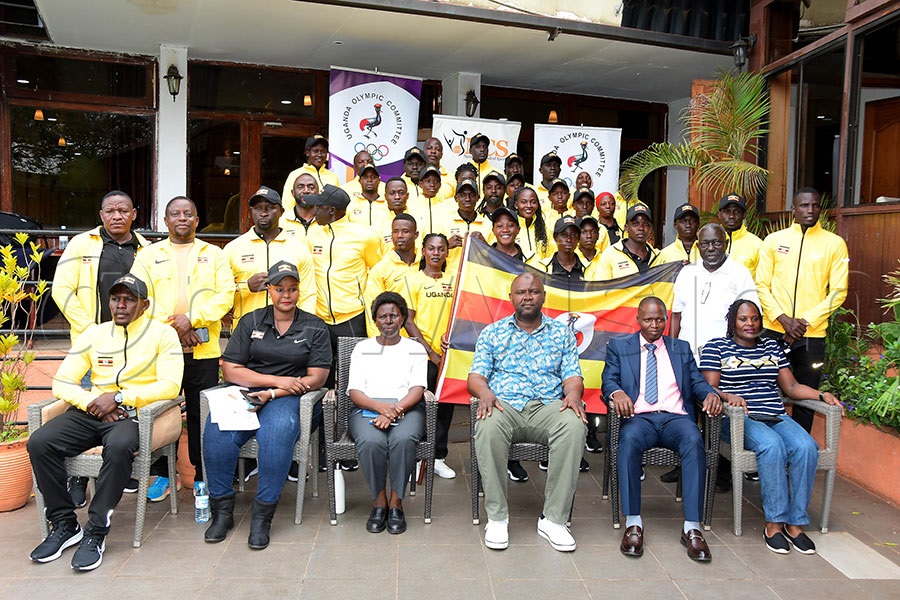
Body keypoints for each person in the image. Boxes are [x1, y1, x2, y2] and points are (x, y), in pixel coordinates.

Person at [29, 275, 183, 570]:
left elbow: (170, 385)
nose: (121, 305)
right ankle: (64, 524)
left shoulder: (163, 334)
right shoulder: (94, 334)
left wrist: (121, 398)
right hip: (93, 410)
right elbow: (62, 381)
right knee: (40, 442)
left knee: (120, 446)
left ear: (145, 305)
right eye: (115, 299)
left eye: (129, 299)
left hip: (133, 413)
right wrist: (92, 402)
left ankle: (96, 531)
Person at [202, 261, 331, 550]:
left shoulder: (314, 326)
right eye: (279, 289)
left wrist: (275, 392)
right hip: (249, 391)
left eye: (292, 289)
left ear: (299, 291)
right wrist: (276, 380)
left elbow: (318, 377)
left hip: (290, 397)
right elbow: (231, 369)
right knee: (217, 433)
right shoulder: (251, 321)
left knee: (276, 434)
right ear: (269, 290)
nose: (286, 295)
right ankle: (222, 511)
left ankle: (262, 516)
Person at [699, 299, 841, 555]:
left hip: (775, 414)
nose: (750, 324)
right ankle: (774, 524)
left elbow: (792, 387)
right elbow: (708, 388)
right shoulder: (716, 346)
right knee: (771, 445)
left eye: (754, 319)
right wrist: (728, 396)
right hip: (738, 418)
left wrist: (822, 395)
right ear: (732, 322)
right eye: (743, 319)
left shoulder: (771, 347)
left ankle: (795, 523)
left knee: (806, 446)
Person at [468, 273, 587, 552]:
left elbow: (573, 376)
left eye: (533, 291)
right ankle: (497, 518)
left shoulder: (562, 333)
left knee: (574, 425)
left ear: (543, 296)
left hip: (548, 406)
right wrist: (485, 393)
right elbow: (475, 377)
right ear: (511, 297)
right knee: (487, 425)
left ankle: (554, 520)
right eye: (521, 292)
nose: (527, 297)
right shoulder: (493, 332)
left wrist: (573, 394)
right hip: (504, 405)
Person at [602, 296, 722, 562]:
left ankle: (692, 527)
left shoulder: (680, 348)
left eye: (659, 320)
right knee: (628, 441)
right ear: (638, 319)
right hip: (639, 418)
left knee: (694, 441)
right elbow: (608, 380)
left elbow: (697, 382)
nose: (654, 325)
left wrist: (710, 394)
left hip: (676, 419)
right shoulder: (620, 347)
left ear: (667, 320)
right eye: (648, 319)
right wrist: (617, 393)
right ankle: (633, 523)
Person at [131, 196, 235, 500]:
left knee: (202, 415)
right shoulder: (147, 256)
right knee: (164, 412)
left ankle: (203, 476)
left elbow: (225, 296)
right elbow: (138, 298)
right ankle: (165, 475)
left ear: (197, 220)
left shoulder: (214, 254)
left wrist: (191, 319)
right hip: (161, 351)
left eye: (188, 214)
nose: (182, 219)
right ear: (166, 221)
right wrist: (175, 328)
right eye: (175, 214)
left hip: (203, 349)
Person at [51, 190, 149, 506]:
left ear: (134, 214)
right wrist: (90, 330)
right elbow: (62, 289)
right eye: (110, 211)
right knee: (87, 407)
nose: (117, 216)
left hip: (132, 344)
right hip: (91, 344)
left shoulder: (145, 249)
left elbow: (153, 296)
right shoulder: (82, 244)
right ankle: (78, 479)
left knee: (120, 406)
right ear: (101, 214)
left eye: (123, 210)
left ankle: (120, 470)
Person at [662, 223, 758, 489]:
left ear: (725, 243)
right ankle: (684, 466)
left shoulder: (739, 273)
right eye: (705, 243)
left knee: (719, 415)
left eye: (716, 242)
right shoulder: (687, 273)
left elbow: (750, 316)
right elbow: (677, 314)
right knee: (686, 412)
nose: (711, 248)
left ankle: (720, 472)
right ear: (698, 246)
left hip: (723, 359)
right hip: (689, 356)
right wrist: (673, 348)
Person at [756, 187, 848, 432]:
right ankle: (767, 444)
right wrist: (782, 318)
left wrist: (804, 321)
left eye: (815, 205)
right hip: (774, 330)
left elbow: (838, 291)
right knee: (764, 389)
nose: (810, 210)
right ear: (793, 209)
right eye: (804, 205)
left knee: (806, 398)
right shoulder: (774, 240)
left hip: (812, 335)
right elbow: (761, 284)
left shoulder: (834, 244)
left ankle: (800, 447)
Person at [348, 292, 428, 535]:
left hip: (407, 407)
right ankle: (379, 502)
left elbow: (418, 389)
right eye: (382, 316)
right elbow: (355, 391)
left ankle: (396, 503)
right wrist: (381, 408)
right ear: (375, 320)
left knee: (403, 439)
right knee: (371, 441)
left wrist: (393, 411)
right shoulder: (362, 348)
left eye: (394, 315)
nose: (389, 320)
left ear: (402, 318)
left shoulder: (415, 349)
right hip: (367, 407)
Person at [305, 183, 383, 390]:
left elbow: (377, 271)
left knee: (353, 379)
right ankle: (323, 413)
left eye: (319, 206)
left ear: (332, 210)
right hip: (319, 318)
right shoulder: (313, 234)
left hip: (352, 317)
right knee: (321, 380)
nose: (314, 210)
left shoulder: (364, 236)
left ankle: (351, 412)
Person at [223, 186, 315, 326]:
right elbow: (220, 293)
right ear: (251, 211)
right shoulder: (233, 249)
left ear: (281, 211)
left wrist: (304, 328)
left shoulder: (298, 248)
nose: (263, 213)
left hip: (288, 329)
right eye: (258, 208)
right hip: (247, 329)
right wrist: (246, 287)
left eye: (270, 208)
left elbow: (308, 294)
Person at [408, 233, 457, 480]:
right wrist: (430, 352)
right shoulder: (413, 280)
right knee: (420, 407)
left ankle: (437, 457)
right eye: (431, 248)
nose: (436, 253)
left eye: (441, 249)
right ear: (424, 251)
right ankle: (418, 457)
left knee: (444, 406)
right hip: (422, 355)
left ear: (447, 252)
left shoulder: (454, 280)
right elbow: (408, 320)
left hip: (449, 356)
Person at [363, 213, 422, 337]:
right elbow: (372, 310)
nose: (399, 235)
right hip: (395, 340)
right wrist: (379, 341)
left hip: (427, 337)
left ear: (416, 235)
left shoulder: (426, 263)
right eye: (395, 232)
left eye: (405, 231)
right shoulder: (380, 269)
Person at [438, 178, 491, 274]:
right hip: (452, 277)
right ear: (456, 198)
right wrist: (446, 245)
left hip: (480, 278)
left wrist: (484, 244)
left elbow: (496, 258)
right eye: (462, 195)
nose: (467, 199)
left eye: (472, 195)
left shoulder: (488, 224)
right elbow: (432, 254)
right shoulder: (444, 223)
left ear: (478, 198)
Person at [594, 203, 660, 280]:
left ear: (650, 229)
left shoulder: (659, 257)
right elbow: (601, 286)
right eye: (635, 224)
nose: (641, 228)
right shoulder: (610, 255)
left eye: (646, 224)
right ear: (626, 227)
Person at [281, 134, 339, 212]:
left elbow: (336, 203)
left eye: (323, 152)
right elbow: (287, 204)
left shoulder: (333, 176)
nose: (320, 155)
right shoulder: (295, 174)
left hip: (325, 219)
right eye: (315, 151)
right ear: (307, 152)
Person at [717, 193, 763, 278]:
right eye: (727, 211)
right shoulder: (709, 242)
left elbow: (762, 280)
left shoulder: (757, 245)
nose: (731, 216)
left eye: (737, 212)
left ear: (744, 215)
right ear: (719, 214)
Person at [346, 162, 390, 230]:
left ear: (379, 180)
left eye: (373, 177)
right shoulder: (351, 205)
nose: (369, 180)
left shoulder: (388, 204)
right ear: (360, 181)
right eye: (365, 177)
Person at [541, 216, 585, 280]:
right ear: (555, 238)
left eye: (573, 235)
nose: (569, 239)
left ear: (578, 239)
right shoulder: (543, 267)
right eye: (564, 235)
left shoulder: (587, 267)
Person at [408, 166, 448, 235]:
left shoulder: (447, 207)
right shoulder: (411, 206)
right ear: (420, 184)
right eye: (428, 181)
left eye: (436, 181)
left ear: (440, 185)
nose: (432, 184)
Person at [513, 186, 549, 262]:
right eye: (524, 202)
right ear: (516, 205)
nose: (529, 206)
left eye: (533, 202)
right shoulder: (509, 228)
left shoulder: (545, 228)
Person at [279, 173, 319, 239]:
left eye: (311, 187)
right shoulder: (281, 222)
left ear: (318, 192)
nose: (306, 191)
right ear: (293, 193)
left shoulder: (327, 221)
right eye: (300, 187)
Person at [577, 215, 609, 281]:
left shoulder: (605, 260)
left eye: (593, 232)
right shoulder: (571, 259)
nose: (589, 236)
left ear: (598, 235)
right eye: (584, 232)